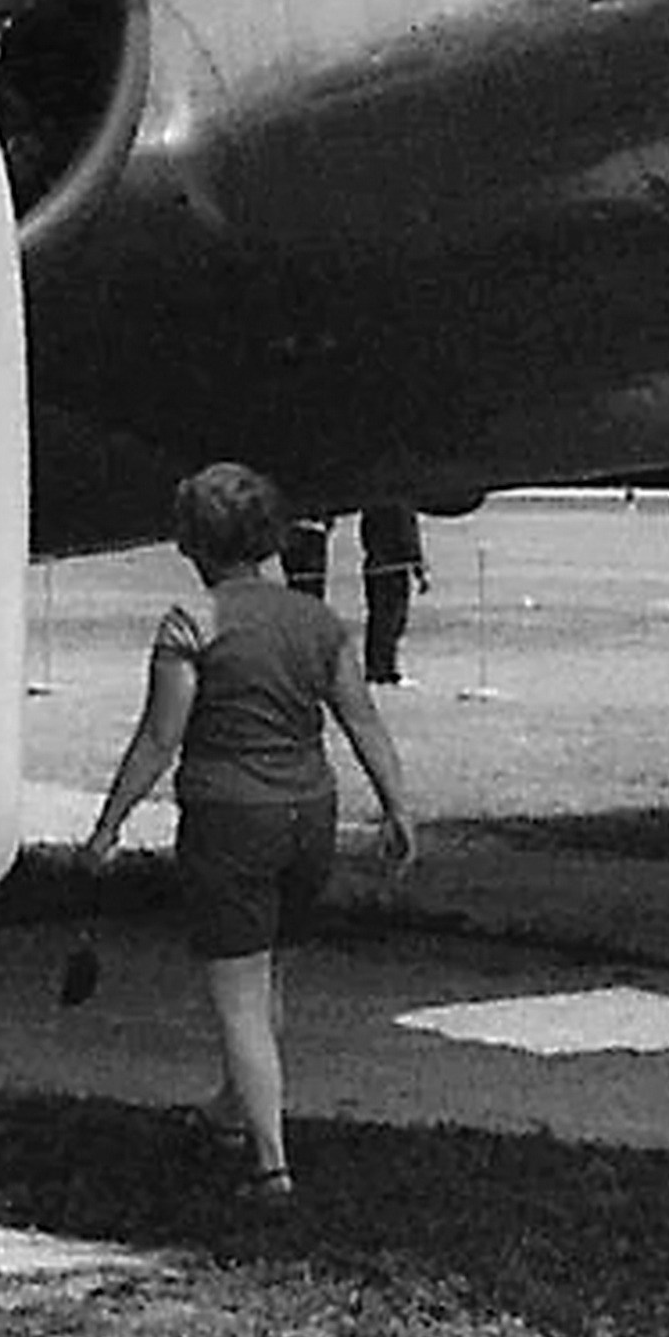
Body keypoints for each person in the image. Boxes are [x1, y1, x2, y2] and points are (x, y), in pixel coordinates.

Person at [80, 462, 418, 1198]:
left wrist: (109, 825)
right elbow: (360, 717)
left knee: (236, 994)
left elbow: (158, 739)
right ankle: (231, 1107)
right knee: (268, 977)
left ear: (191, 543)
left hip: (230, 819)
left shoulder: (191, 626)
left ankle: (271, 1165)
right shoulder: (318, 623)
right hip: (310, 813)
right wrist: (397, 806)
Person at [356, 503, 428, 687]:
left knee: (379, 617)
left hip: (374, 563)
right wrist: (419, 568)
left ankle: (377, 668)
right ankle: (384, 669)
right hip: (393, 565)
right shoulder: (402, 502)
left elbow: (364, 532)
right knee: (391, 618)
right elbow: (408, 535)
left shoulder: (372, 502)